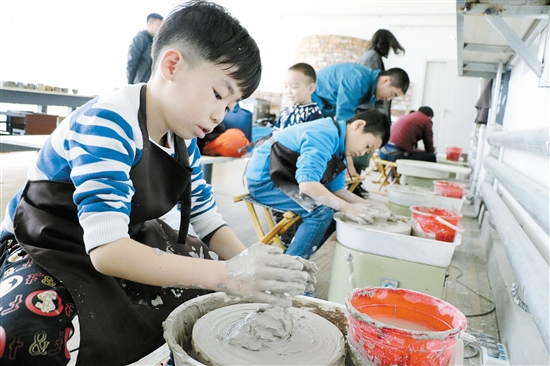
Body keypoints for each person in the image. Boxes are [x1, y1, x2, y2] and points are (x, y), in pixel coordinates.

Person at [0, 2, 315, 365]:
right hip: (50, 242)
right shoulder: (109, 121)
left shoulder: (184, 140)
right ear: (171, 65)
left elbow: (208, 221)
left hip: (125, 234)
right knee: (28, 334)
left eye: (231, 105)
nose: (220, 116)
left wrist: (253, 265)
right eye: (218, 94)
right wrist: (230, 276)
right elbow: (107, 252)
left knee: (200, 291)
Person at [245, 109, 391, 260]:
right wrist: (349, 208)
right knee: (321, 212)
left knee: (338, 214)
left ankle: (297, 256)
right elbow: (307, 184)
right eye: (368, 146)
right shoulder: (324, 133)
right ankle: (289, 269)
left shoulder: (341, 146)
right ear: (358, 125)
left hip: (286, 180)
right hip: (264, 181)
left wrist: (369, 205)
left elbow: (337, 190)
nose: (363, 153)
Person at [353, 29, 405, 190]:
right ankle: (355, 183)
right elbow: (369, 89)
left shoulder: (372, 56)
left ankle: (356, 182)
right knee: (361, 150)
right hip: (365, 112)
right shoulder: (372, 58)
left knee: (362, 151)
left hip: (365, 111)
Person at [273, 62, 323, 132]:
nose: (288, 91)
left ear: (310, 88)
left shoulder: (313, 113)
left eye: (294, 87)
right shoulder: (286, 111)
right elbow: (276, 130)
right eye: (286, 86)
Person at [126, 12, 164, 84]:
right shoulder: (139, 39)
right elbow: (131, 63)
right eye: (159, 25)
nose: (161, 29)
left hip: (154, 85)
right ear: (149, 25)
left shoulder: (159, 42)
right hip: (140, 85)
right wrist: (130, 84)